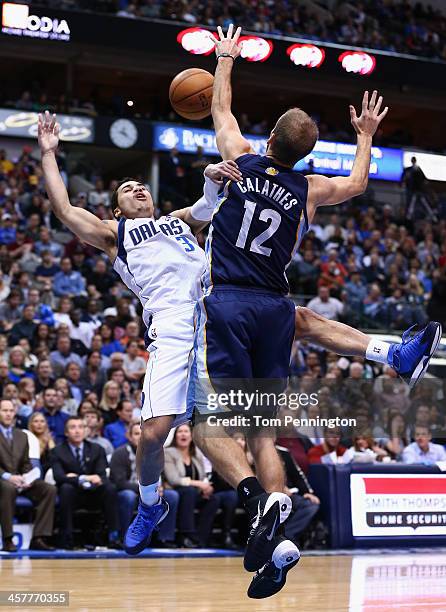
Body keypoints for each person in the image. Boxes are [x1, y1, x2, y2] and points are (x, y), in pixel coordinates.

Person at [187, 25, 440, 600]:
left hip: (227, 301)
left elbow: (221, 107)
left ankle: (263, 507)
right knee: (265, 430)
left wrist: (225, 58)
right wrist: (366, 135)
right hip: (275, 307)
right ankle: (276, 539)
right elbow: (356, 182)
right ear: (303, 151)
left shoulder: (240, 159)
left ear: (269, 136)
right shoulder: (307, 189)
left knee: (212, 425)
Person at [38, 110, 241, 556]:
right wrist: (50, 155)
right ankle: (151, 505)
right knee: (152, 436)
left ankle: (263, 505)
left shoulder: (177, 219)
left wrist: (210, 175)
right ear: (116, 208)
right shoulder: (116, 232)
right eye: (128, 188)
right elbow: (66, 210)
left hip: (216, 317)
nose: (138, 189)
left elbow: (208, 206)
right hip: (170, 329)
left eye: (141, 185)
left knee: (233, 426)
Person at [50, 416, 121, 549]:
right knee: (66, 488)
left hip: (94, 493)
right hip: (73, 494)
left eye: (80, 427)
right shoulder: (57, 451)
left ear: (85, 431)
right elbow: (59, 477)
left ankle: (114, 536)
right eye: (73, 427)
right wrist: (84, 478)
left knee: (110, 488)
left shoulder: (96, 449)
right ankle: (67, 537)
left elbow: (101, 476)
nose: (77, 431)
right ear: (66, 433)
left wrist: (76, 477)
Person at [110, 421, 179, 546]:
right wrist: (146, 491)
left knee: (172, 496)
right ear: (129, 436)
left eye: (143, 434)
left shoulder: (157, 452)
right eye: (136, 434)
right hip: (131, 492)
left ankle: (165, 538)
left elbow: (163, 476)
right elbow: (119, 482)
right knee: (127, 496)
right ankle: (124, 537)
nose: (141, 437)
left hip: (154, 490)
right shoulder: (120, 454)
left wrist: (162, 488)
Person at [0, 399, 56, 552]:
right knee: (8, 488)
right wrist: (7, 476)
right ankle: (7, 538)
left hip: (19, 479)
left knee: (48, 489)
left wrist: (28, 477)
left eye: (11, 411)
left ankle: (39, 537)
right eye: (4, 411)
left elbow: (25, 462)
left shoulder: (21, 436)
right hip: (3, 480)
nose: (8, 414)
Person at [164, 424, 220, 547]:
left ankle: (200, 538)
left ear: (191, 436)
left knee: (213, 499)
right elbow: (173, 479)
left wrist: (206, 488)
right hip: (174, 491)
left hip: (192, 493)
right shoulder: (168, 453)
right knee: (188, 491)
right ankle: (186, 533)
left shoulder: (196, 455)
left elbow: (201, 477)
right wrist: (199, 484)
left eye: (186, 432)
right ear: (175, 436)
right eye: (180, 432)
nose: (183, 434)